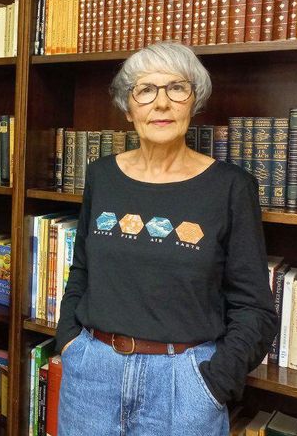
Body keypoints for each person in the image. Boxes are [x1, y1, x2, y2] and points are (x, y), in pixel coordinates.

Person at [54, 42, 278, 435]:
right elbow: (83, 270)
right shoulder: (101, 176)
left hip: (185, 384)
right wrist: (70, 344)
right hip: (92, 377)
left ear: (194, 102)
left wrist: (213, 383)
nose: (161, 104)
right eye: (145, 90)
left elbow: (254, 308)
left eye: (177, 88)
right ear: (129, 108)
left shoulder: (232, 188)